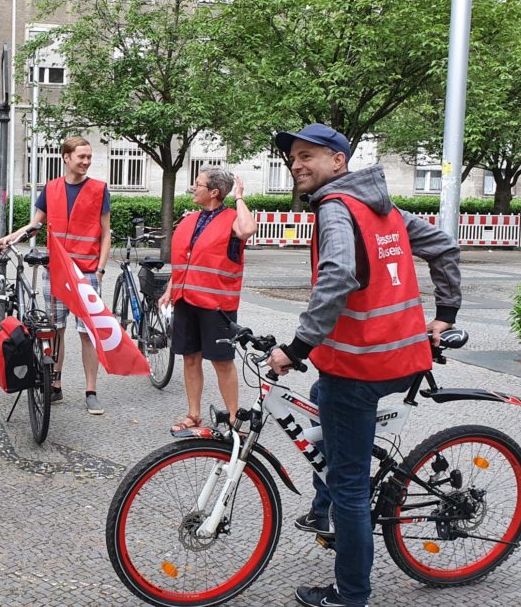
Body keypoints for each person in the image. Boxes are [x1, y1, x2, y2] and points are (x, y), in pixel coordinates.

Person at [265, 124, 461, 607]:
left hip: (359, 369)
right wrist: (445, 315)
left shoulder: (335, 207)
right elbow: (445, 247)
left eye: (307, 155)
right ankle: (321, 507)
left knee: (348, 486)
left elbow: (337, 275)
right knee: (316, 404)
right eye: (293, 158)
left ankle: (349, 594)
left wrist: (296, 348)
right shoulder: (383, 209)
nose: (297, 165)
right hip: (400, 358)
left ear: (339, 161)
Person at [0, 136, 111, 415]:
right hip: (56, 271)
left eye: (88, 157)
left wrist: (101, 268)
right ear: (66, 157)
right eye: (81, 157)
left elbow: (106, 232)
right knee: (55, 329)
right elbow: (35, 225)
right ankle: (56, 384)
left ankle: (91, 390)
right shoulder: (51, 189)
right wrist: (10, 239)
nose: (86, 162)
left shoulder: (99, 189)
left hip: (86, 272)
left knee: (88, 334)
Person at [159, 167, 256, 433]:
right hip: (186, 300)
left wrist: (238, 196)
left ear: (214, 192)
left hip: (216, 306)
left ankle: (235, 420)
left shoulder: (233, 220)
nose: (193, 188)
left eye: (198, 184)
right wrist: (170, 288)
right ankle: (193, 415)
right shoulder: (190, 220)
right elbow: (184, 261)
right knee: (190, 358)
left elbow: (248, 229)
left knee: (222, 361)